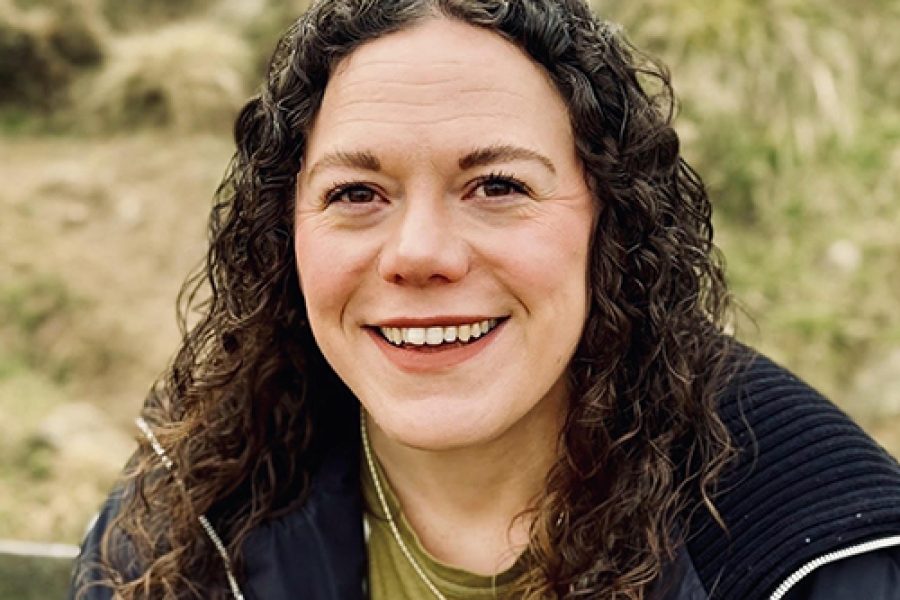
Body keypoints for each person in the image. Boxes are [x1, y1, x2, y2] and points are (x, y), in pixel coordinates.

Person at [68, 1, 900, 599]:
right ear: (284, 232)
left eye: (497, 186)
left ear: (612, 220)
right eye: (356, 193)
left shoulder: (814, 555)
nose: (419, 254)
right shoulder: (194, 510)